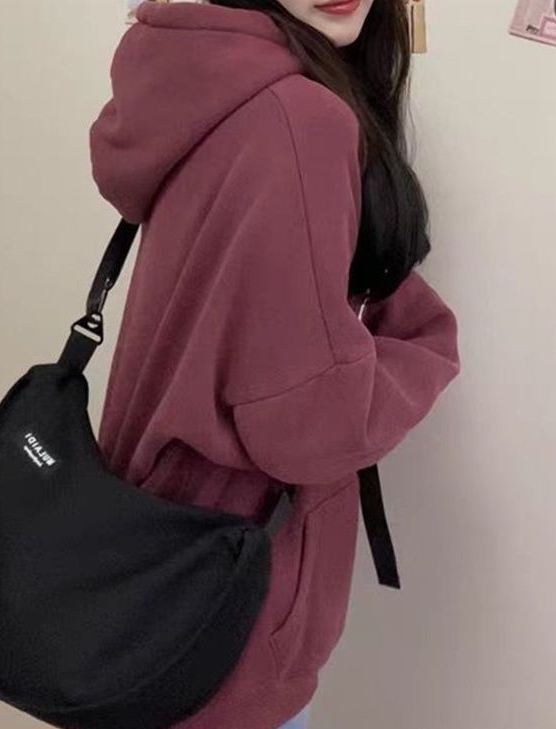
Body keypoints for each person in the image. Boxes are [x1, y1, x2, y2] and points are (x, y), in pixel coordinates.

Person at [89, 1, 461, 728]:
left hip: (147, 550)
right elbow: (308, 422)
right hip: (231, 589)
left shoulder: (195, 81)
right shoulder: (302, 118)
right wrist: (426, 343)